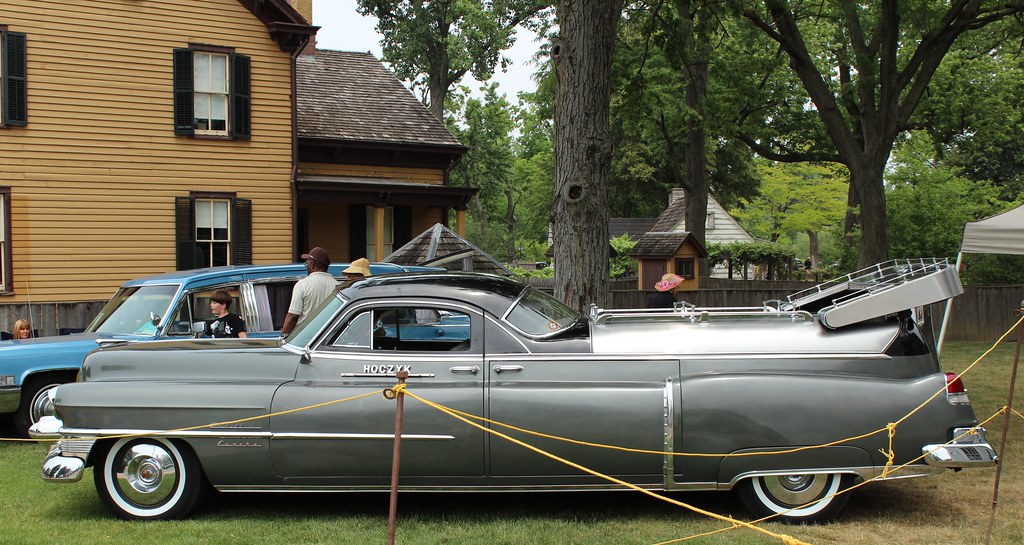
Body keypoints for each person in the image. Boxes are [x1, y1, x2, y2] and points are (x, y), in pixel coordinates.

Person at [281, 246, 339, 335]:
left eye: (306, 263)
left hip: (304, 339)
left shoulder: (302, 285)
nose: (306, 266)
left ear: (312, 265)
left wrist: (283, 336)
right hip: (329, 338)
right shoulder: (338, 286)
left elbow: (293, 316)